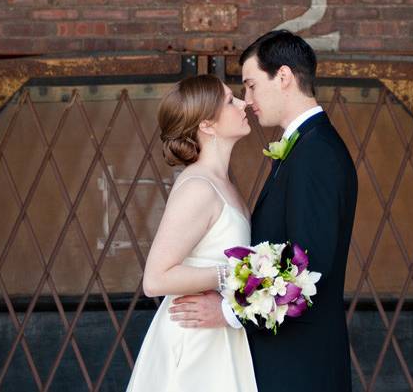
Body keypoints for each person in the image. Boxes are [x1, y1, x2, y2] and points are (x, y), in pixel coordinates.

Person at [170, 30, 358, 392]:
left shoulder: (316, 153)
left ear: (283, 77)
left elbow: (309, 267)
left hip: (300, 367)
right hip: (286, 362)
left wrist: (228, 312)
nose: (248, 99)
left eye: (252, 85)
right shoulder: (304, 147)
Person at [125, 74, 257, 392]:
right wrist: (239, 274)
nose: (243, 103)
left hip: (218, 333)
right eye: (229, 100)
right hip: (195, 341)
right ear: (207, 125)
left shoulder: (222, 184)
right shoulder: (198, 187)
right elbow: (156, 279)